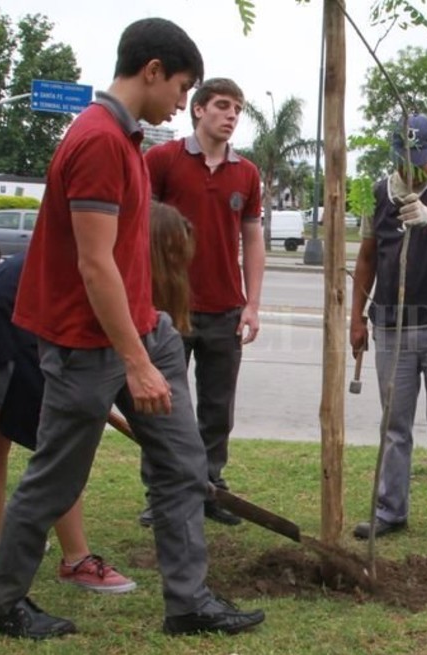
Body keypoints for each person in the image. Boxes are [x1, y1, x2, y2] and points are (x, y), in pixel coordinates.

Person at [0, 18, 263, 639]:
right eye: (183, 88)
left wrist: (149, 334)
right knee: (55, 478)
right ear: (152, 71)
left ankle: (188, 603)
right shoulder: (100, 141)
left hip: (143, 327)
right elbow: (93, 261)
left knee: (185, 467)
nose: (183, 103)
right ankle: (2, 603)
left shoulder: (124, 138)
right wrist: (136, 363)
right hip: (89, 344)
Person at [0, 203, 195, 593]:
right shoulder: (108, 268)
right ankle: (76, 560)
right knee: (61, 452)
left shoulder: (97, 249)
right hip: (2, 329)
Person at [348, 114, 427, 546]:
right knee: (393, 425)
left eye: (420, 158)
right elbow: (367, 257)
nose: (412, 167)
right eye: (403, 158)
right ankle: (390, 510)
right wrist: (356, 317)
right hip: (391, 327)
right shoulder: (379, 192)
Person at [144, 77, 264, 528]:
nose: (231, 115)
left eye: (237, 108)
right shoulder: (163, 160)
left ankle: (210, 487)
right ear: (198, 110)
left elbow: (253, 238)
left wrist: (252, 304)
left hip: (225, 310)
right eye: (222, 105)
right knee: (162, 407)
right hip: (167, 308)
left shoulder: (246, 173)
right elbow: (141, 228)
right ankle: (160, 495)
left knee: (217, 409)